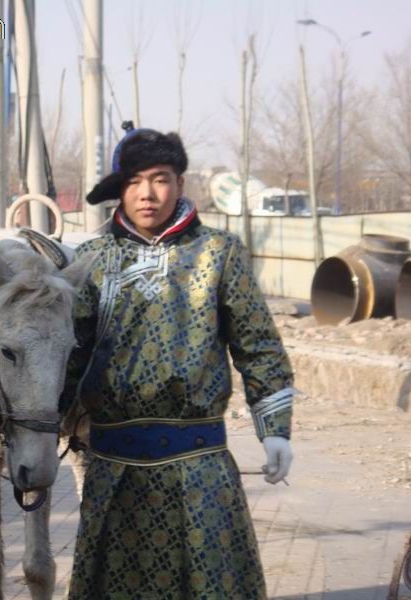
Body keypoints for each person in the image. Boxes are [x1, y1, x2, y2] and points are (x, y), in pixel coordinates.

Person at [63, 123, 295, 599]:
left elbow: (258, 346)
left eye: (160, 178)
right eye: (133, 182)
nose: (147, 193)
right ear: (119, 191)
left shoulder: (219, 253)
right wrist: (41, 428)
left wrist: (275, 428)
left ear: (180, 184)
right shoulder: (90, 260)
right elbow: (68, 354)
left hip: (198, 465)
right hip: (113, 465)